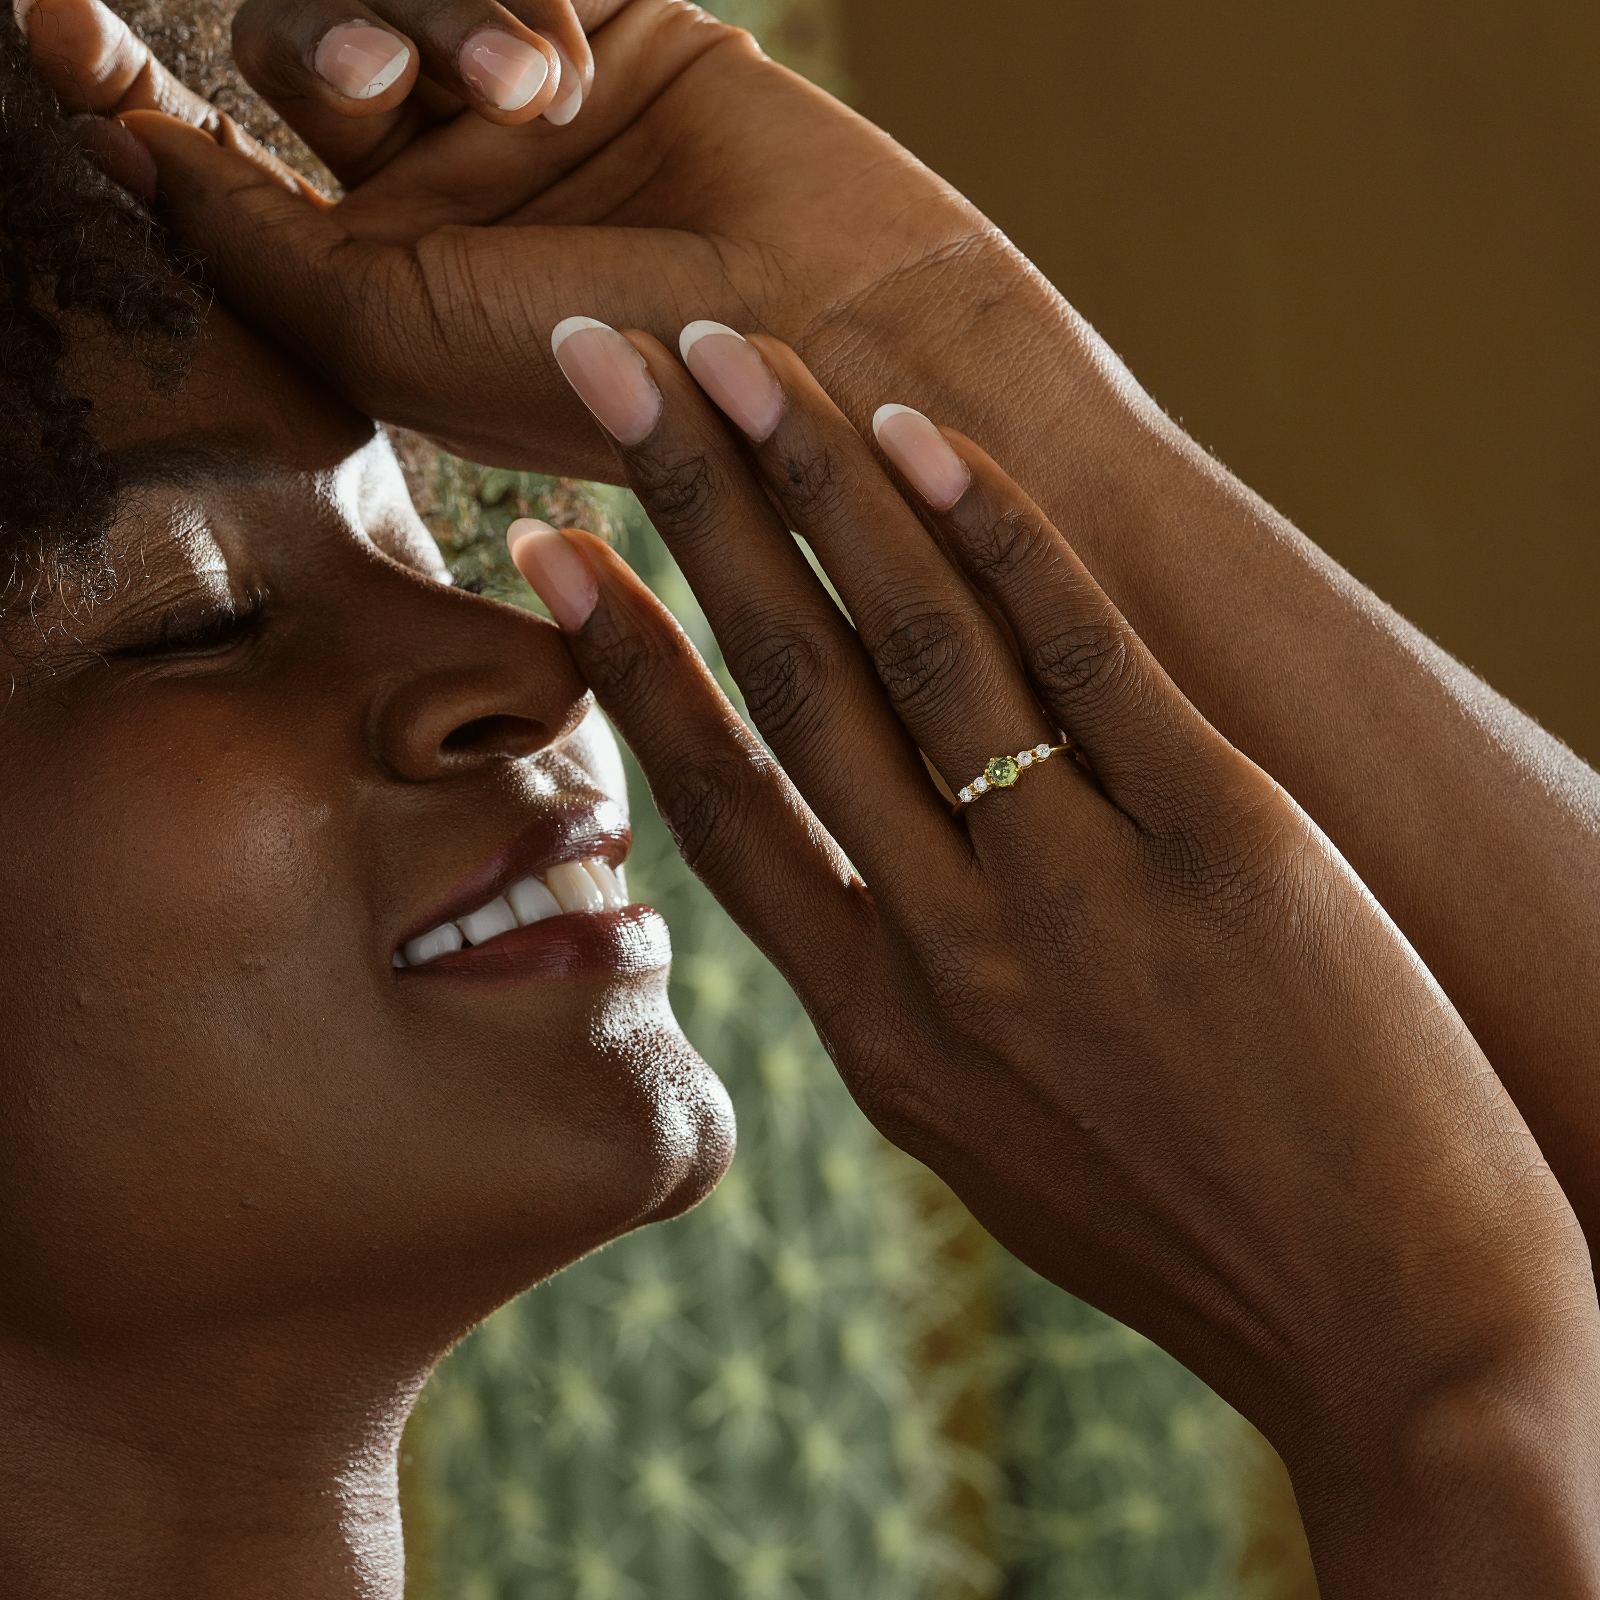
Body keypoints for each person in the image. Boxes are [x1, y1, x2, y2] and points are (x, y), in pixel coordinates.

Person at [2, 1, 1598, 1596]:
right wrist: (1437, 1397)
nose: (532, 665)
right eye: (189, 618)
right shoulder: (1430, 1396)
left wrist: (913, 336)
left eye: (420, 547)